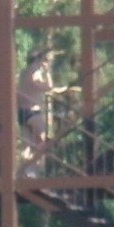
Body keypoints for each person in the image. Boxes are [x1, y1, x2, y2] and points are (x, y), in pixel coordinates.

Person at [15, 47, 66, 175]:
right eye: (46, 61)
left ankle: (24, 172)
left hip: (22, 112)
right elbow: (48, 87)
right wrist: (48, 72)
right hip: (32, 111)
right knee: (41, 143)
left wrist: (59, 89)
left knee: (27, 144)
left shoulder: (23, 73)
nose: (46, 64)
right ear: (39, 60)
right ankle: (34, 170)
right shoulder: (35, 72)